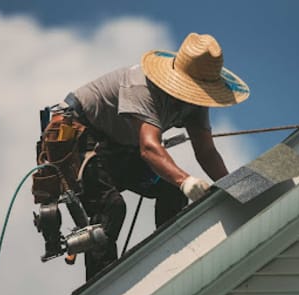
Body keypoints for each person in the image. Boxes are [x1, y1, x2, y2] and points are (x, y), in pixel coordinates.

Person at [38, 32, 250, 280]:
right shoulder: (142, 86)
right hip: (80, 136)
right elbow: (149, 149)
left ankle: (169, 265)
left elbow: (206, 152)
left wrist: (238, 188)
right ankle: (102, 289)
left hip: (121, 146)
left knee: (171, 191)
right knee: (111, 207)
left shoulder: (194, 104)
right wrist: (187, 181)